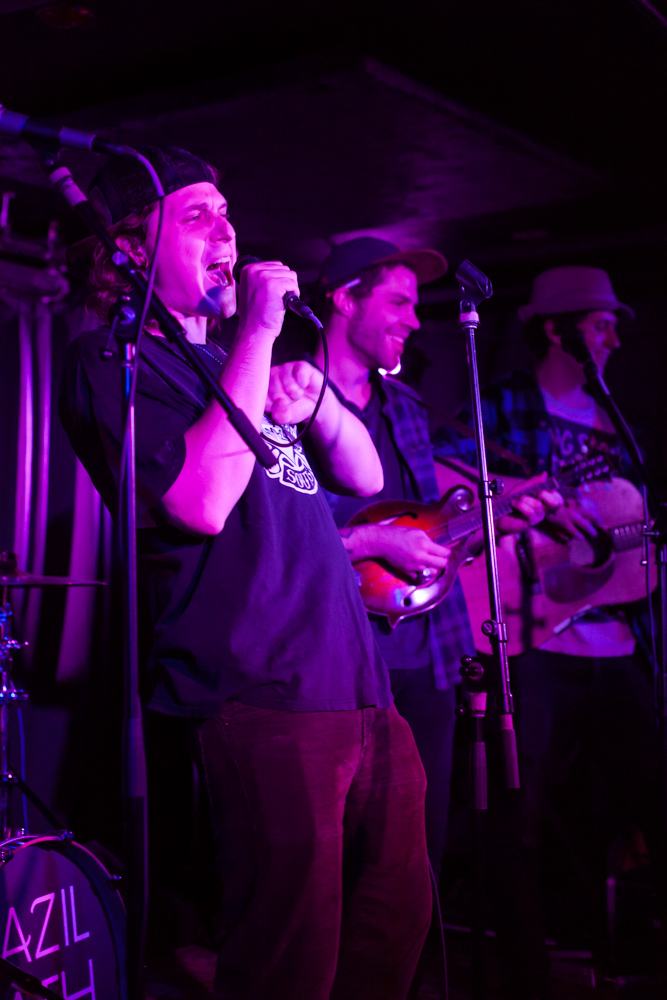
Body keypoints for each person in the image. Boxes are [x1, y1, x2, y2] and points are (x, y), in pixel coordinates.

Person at [59, 148, 433, 1000]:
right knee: (289, 957)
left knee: (390, 931)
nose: (228, 232)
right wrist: (260, 333)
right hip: (261, 694)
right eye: (196, 217)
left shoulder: (238, 366)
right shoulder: (111, 362)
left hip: (362, 688)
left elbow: (366, 478)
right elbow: (197, 503)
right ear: (128, 252)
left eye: (228, 213)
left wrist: (316, 395)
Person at [434, 265, 664, 999]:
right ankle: (525, 976)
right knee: (517, 820)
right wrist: (535, 501)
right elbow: (447, 475)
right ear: (556, 330)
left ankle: (633, 952)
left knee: (651, 799)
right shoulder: (502, 406)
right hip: (536, 643)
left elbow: (626, 536)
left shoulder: (616, 423)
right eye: (600, 322)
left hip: (615, 648)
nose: (615, 336)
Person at [311, 237, 561, 883]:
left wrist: (490, 523)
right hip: (326, 656)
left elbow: (431, 530)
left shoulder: (406, 409)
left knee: (413, 855)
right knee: (326, 859)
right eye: (398, 301)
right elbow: (275, 539)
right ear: (343, 299)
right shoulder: (286, 399)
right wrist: (370, 543)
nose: (415, 321)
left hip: (423, 658)